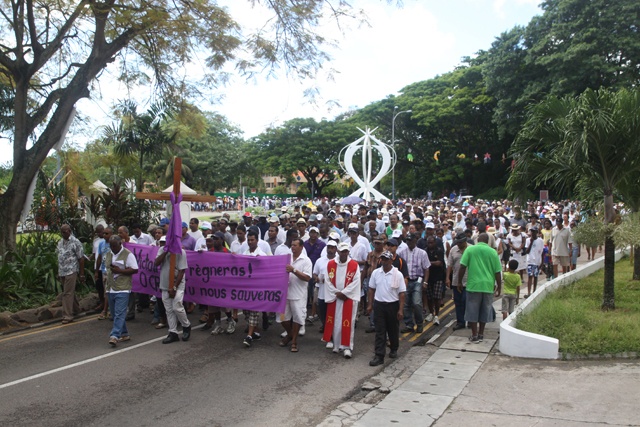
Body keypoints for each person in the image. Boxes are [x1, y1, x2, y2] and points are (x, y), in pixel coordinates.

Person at [457, 233, 502, 343]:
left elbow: (462, 266)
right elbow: (497, 272)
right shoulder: (493, 252)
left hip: (473, 285)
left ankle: (474, 334)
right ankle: (481, 333)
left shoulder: (470, 250)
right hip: (487, 286)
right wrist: (499, 286)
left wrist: (459, 282)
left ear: (477, 240)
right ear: (488, 241)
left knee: (472, 310)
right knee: (484, 310)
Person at [367, 250, 406, 367]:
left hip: (392, 305)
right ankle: (379, 355)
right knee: (380, 331)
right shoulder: (376, 273)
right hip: (379, 305)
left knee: (392, 329)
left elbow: (402, 293)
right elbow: (371, 289)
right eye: (382, 259)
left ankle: (394, 348)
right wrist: (370, 304)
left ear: (391, 261)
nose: (383, 261)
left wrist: (400, 309)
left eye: (386, 259)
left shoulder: (397, 274)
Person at [322, 242, 361, 359]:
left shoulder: (354, 265)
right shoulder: (330, 264)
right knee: (336, 321)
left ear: (348, 252)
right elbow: (327, 280)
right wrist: (336, 292)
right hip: (335, 297)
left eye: (346, 251)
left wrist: (344, 293)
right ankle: (337, 344)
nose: (344, 253)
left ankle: (347, 347)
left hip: (347, 298)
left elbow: (356, 281)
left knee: (348, 321)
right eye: (341, 251)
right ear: (337, 252)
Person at [154, 236, 192, 344]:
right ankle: (173, 332)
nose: (162, 244)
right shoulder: (162, 250)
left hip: (177, 284)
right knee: (169, 309)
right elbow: (156, 263)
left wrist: (174, 287)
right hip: (165, 283)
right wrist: (165, 252)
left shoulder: (181, 252)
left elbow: (182, 271)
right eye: (162, 243)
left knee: (177, 307)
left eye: (164, 243)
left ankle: (186, 325)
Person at [104, 235, 139, 346]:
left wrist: (120, 271)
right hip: (111, 287)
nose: (113, 248)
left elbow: (135, 269)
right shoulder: (109, 253)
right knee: (115, 314)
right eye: (111, 246)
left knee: (120, 312)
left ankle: (114, 335)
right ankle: (124, 333)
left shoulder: (128, 255)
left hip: (123, 288)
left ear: (120, 244)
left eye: (114, 245)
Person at [281, 238, 312, 352]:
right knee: (282, 318)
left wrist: (293, 270)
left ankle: (294, 340)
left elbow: (307, 278)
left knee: (298, 319)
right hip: (285, 293)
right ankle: (290, 335)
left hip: (298, 294)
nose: (293, 247)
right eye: (292, 245)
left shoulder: (306, 260)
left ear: (301, 247)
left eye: (295, 245)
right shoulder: (286, 258)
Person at [242, 230, 269, 347]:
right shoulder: (243, 254)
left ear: (257, 241)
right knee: (246, 311)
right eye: (248, 240)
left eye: (252, 240)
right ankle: (255, 332)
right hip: (246, 288)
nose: (250, 242)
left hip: (257, 288)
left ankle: (249, 336)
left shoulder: (262, 255)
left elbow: (268, 270)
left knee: (254, 311)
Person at [401, 233, 430, 333]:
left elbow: (426, 268)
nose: (409, 243)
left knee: (417, 303)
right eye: (407, 241)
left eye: (411, 241)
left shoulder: (422, 253)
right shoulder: (402, 253)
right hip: (406, 281)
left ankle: (419, 323)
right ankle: (409, 324)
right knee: (406, 304)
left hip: (417, 280)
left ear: (415, 241)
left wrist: (425, 282)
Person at [56, 224, 85, 324]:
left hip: (71, 270)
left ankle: (68, 315)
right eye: (62, 232)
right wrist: (58, 272)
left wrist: (81, 274)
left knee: (67, 293)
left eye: (65, 231)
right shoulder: (60, 242)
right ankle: (76, 310)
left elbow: (81, 259)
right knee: (69, 291)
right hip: (62, 271)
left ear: (69, 231)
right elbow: (59, 257)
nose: (63, 234)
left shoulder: (75, 242)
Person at [446, 233, 469, 331]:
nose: (458, 244)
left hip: (469, 281)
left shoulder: (471, 249)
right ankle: (460, 322)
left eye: (460, 243)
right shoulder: (453, 250)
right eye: (457, 242)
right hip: (456, 281)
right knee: (458, 302)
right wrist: (447, 277)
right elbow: (450, 265)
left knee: (466, 301)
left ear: (465, 241)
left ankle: (469, 320)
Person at [425, 236, 446, 326]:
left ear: (435, 243)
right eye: (428, 243)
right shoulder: (425, 251)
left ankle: (436, 315)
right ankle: (431, 313)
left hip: (438, 277)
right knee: (429, 297)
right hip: (429, 277)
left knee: (437, 297)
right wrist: (432, 263)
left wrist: (428, 263)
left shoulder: (439, 251)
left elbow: (439, 263)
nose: (430, 244)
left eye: (431, 243)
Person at [524, 227, 544, 297]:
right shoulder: (528, 240)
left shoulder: (540, 241)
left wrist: (542, 262)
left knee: (536, 276)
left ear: (537, 232)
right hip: (530, 261)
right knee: (530, 276)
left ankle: (534, 291)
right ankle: (529, 292)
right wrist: (531, 242)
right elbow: (527, 251)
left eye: (534, 232)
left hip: (537, 261)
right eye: (531, 232)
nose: (532, 233)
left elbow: (542, 251)